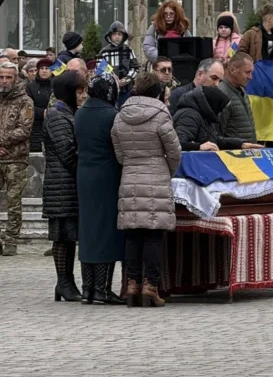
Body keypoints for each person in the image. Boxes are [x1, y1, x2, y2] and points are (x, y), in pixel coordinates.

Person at [111, 71, 182, 308]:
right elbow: (174, 151)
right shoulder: (161, 115)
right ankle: (151, 286)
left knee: (132, 234)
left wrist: (131, 163)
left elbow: (119, 152)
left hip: (129, 176)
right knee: (153, 235)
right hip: (157, 175)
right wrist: (165, 170)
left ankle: (132, 285)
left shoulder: (120, 116)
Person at [74, 72, 125, 304]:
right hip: (107, 176)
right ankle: (103, 289)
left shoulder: (81, 113)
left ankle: (87, 289)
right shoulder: (112, 115)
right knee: (106, 231)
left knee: (87, 231)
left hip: (84, 176)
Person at [43, 70, 87, 301]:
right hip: (61, 185)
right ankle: (64, 282)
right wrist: (83, 171)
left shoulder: (69, 113)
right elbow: (67, 152)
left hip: (67, 185)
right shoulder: (58, 116)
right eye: (79, 91)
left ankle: (67, 282)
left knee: (69, 236)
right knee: (63, 236)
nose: (83, 95)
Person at [0, 60, 34, 256]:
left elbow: (24, 129)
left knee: (13, 201)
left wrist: (2, 143)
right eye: (1, 77)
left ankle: (11, 240)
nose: (4, 81)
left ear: (15, 79)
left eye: (8, 77)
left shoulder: (24, 100)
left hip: (15, 159)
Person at [174, 85, 260, 152]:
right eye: (220, 109)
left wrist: (240, 144)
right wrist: (199, 147)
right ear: (213, 106)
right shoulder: (189, 115)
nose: (220, 113)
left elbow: (214, 140)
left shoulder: (203, 116)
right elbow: (178, 144)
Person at [219, 53, 256, 144]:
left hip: (247, 152)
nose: (250, 77)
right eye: (247, 72)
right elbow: (218, 134)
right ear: (232, 70)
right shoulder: (222, 94)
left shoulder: (241, 91)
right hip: (233, 155)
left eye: (251, 73)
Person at [142, 0, 192, 66]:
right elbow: (148, 48)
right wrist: (163, 59)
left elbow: (191, 49)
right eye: (165, 14)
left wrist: (180, 58)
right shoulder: (154, 28)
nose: (168, 16)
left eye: (171, 14)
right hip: (158, 65)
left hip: (179, 65)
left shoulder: (183, 29)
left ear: (177, 15)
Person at [97, 21, 138, 93]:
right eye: (114, 34)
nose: (117, 37)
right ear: (110, 35)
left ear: (123, 36)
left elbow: (135, 68)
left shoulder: (129, 50)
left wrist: (127, 79)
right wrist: (113, 77)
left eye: (119, 34)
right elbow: (100, 67)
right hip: (109, 89)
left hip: (127, 89)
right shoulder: (103, 52)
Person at [27, 58, 54, 152]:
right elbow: (27, 106)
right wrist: (43, 112)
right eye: (42, 68)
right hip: (36, 128)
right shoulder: (31, 86)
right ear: (38, 71)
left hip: (54, 125)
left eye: (47, 68)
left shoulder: (57, 85)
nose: (44, 70)